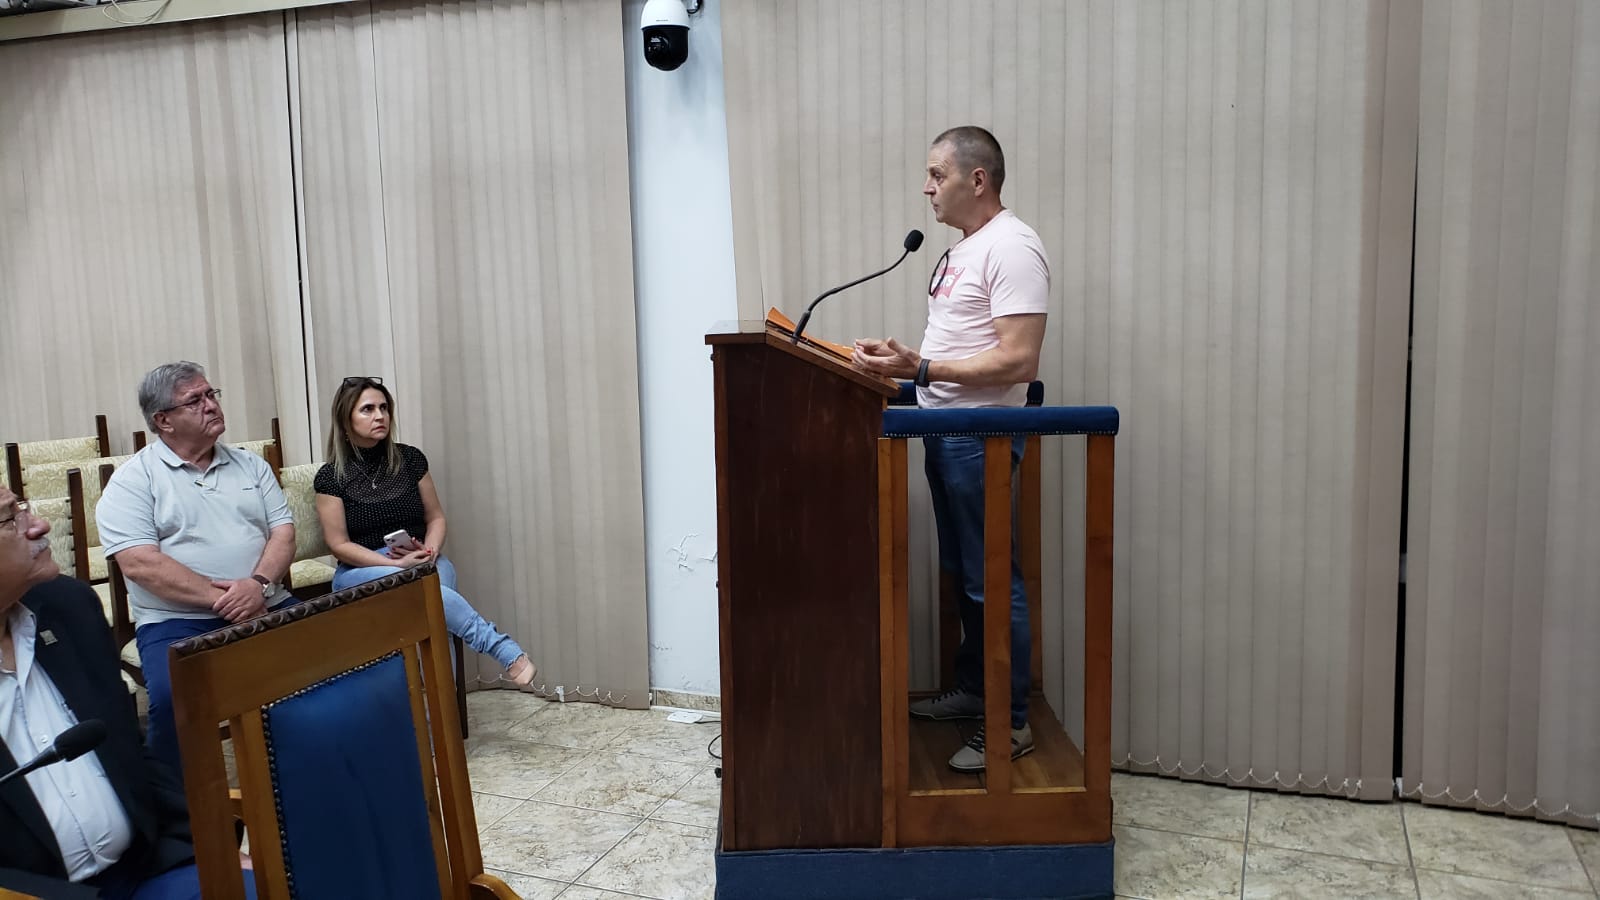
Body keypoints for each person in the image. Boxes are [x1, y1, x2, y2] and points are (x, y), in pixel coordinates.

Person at [852, 126, 1049, 772]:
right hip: (944, 431)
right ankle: (974, 689)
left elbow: (1018, 360)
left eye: (938, 174)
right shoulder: (963, 250)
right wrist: (902, 370)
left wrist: (921, 367)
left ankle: (1010, 723)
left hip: (980, 438)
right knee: (967, 575)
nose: (927, 188)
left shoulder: (1013, 247)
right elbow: (954, 353)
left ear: (978, 180)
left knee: (991, 579)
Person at [1, 487, 257, 900]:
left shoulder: (68, 606)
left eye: (23, 507)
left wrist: (208, 848)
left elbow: (131, 751)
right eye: (11, 518)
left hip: (145, 868)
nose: (40, 525)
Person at [96, 362, 296, 778]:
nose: (211, 405)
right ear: (163, 421)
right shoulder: (132, 481)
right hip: (177, 621)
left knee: (336, 660)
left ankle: (312, 771)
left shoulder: (251, 465)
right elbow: (141, 564)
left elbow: (283, 533)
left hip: (266, 600)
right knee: (176, 701)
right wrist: (231, 600)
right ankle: (178, 806)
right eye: (195, 400)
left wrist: (257, 585)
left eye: (211, 394)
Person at [313, 377, 536, 687]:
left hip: (420, 558)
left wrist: (429, 553)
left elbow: (436, 518)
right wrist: (394, 565)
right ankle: (501, 649)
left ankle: (440, 713)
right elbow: (338, 545)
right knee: (430, 595)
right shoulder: (330, 477)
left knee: (436, 611)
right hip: (361, 570)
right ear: (345, 420)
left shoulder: (410, 459)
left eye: (383, 408)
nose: (379, 416)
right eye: (367, 409)